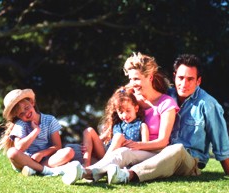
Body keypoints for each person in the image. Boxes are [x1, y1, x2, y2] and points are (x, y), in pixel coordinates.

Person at [106, 53, 229, 184]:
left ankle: (127, 175)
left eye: (190, 79)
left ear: (198, 81)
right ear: (174, 76)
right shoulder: (165, 96)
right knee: (132, 152)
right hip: (160, 154)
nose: (184, 84)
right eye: (180, 78)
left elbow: (220, 141)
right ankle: (93, 172)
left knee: (177, 149)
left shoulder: (208, 105)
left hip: (189, 161)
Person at [61, 52, 180, 185]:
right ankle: (59, 168)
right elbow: (114, 120)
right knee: (77, 149)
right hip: (126, 147)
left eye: (137, 79)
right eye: (130, 79)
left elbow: (163, 141)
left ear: (150, 77)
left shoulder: (166, 103)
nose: (133, 83)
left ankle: (85, 172)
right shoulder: (131, 99)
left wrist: (137, 145)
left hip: (153, 153)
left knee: (124, 152)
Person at [0, 88, 80, 176]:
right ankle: (46, 171)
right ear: (18, 116)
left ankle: (34, 169)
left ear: (32, 102)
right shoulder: (20, 124)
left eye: (26, 108)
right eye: (21, 114)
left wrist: (41, 154)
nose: (26, 113)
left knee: (69, 152)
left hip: (47, 159)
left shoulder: (50, 120)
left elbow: (57, 146)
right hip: (26, 160)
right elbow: (19, 148)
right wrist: (35, 131)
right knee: (12, 152)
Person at [82, 85, 150, 167]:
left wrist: (135, 145)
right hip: (108, 152)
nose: (125, 115)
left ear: (136, 108)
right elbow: (100, 139)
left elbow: (145, 146)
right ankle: (86, 165)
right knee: (88, 131)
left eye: (128, 111)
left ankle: (101, 165)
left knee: (119, 136)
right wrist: (89, 145)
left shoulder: (141, 126)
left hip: (125, 155)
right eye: (121, 112)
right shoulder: (117, 125)